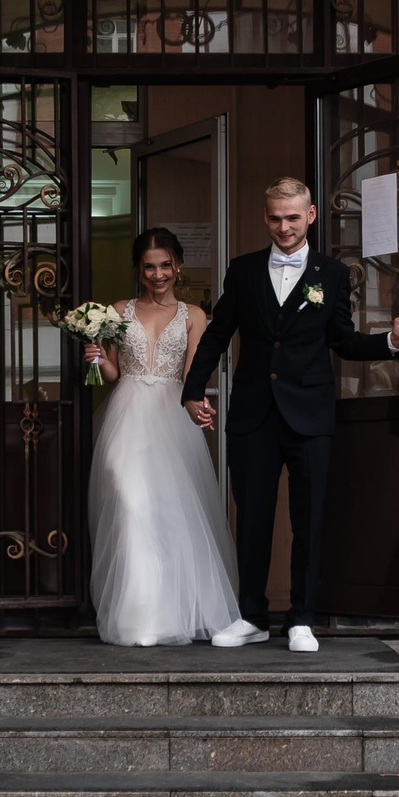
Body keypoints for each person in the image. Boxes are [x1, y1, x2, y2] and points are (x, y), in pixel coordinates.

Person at [180, 177, 399, 651]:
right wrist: (192, 391)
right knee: (251, 517)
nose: (284, 227)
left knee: (308, 520)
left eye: (293, 217)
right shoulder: (242, 271)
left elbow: (344, 341)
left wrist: (390, 341)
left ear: (310, 216)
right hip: (253, 415)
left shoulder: (332, 275)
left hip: (311, 415)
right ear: (265, 217)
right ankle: (250, 616)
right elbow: (216, 334)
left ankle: (301, 619)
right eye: (275, 218)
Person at [87, 228, 252, 646]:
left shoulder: (194, 314)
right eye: (149, 267)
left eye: (164, 265)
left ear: (177, 265)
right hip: (126, 416)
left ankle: (172, 613)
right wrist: (94, 355)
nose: (157, 274)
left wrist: (198, 405)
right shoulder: (118, 310)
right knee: (130, 503)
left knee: (169, 513)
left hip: (171, 415)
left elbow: (194, 375)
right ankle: (137, 615)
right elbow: (112, 373)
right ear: (138, 270)